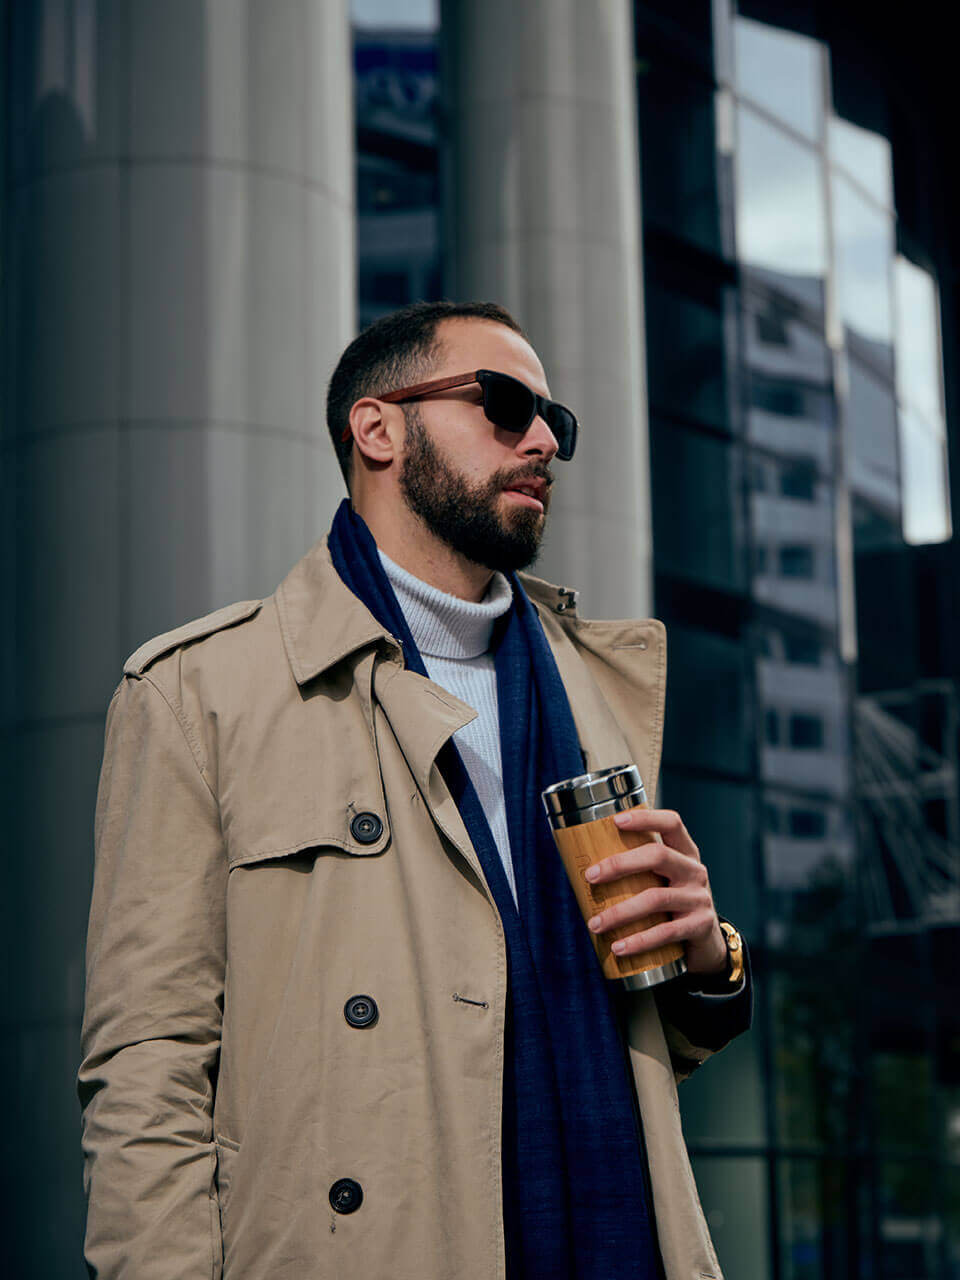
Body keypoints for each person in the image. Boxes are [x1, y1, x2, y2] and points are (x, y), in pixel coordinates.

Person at [79, 300, 751, 1280]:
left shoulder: (593, 689)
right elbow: (148, 1075)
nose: (540, 442)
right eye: (506, 403)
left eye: (554, 423)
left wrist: (706, 958)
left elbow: (619, 1046)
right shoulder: (201, 694)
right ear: (376, 427)